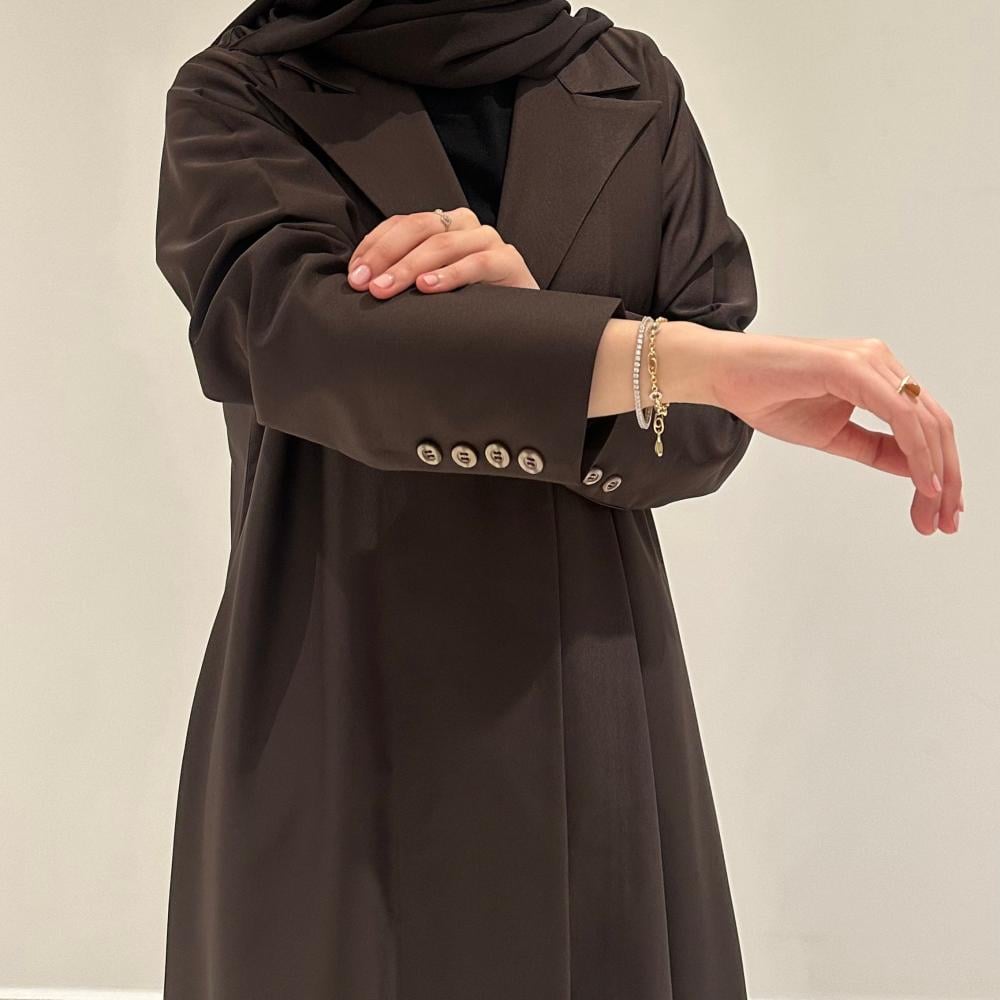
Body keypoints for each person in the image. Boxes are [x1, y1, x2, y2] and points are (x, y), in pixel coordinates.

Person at [153, 1, 963, 998]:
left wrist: (565, 339)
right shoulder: (241, 95)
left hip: (596, 704)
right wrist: (647, 354)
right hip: (340, 703)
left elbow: (707, 427)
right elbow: (307, 344)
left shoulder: (630, 84)